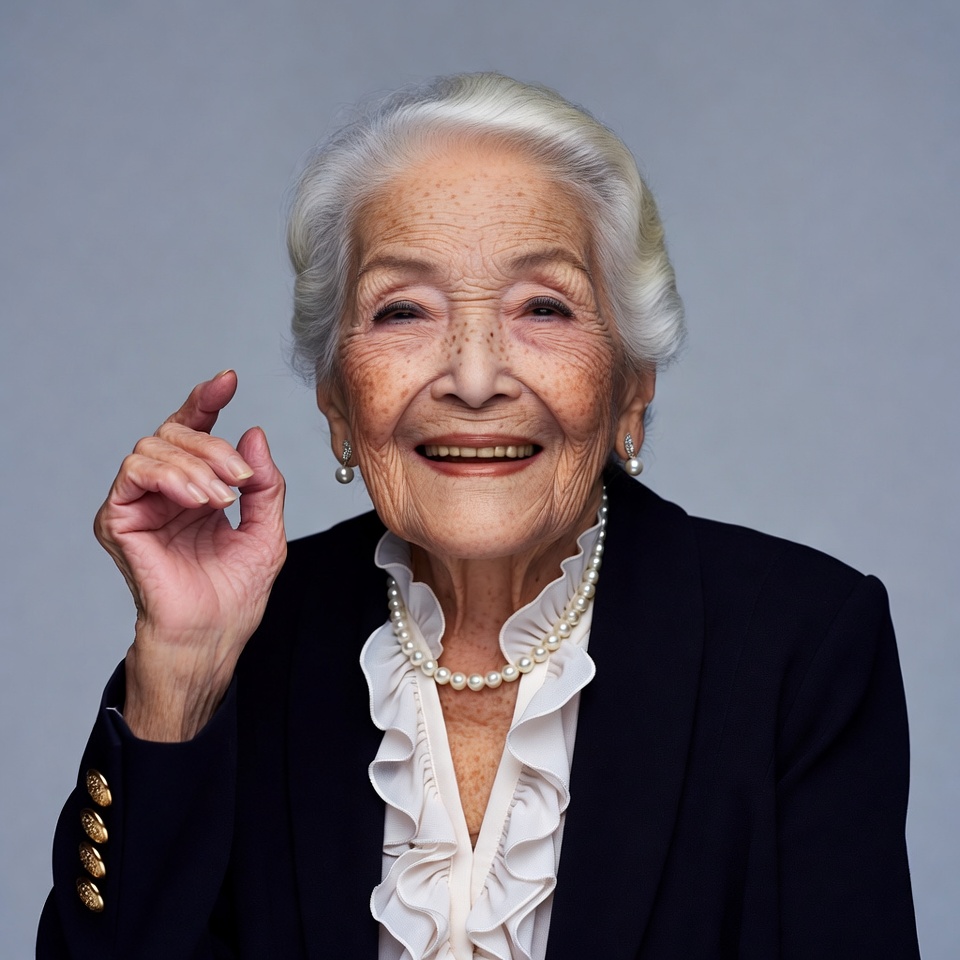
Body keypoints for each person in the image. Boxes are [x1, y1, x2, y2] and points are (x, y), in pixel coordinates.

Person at [38, 73, 920, 959]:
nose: (472, 378)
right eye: (403, 311)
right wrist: (182, 674)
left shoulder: (800, 646)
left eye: (543, 307)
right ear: (337, 399)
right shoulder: (251, 637)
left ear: (632, 386)